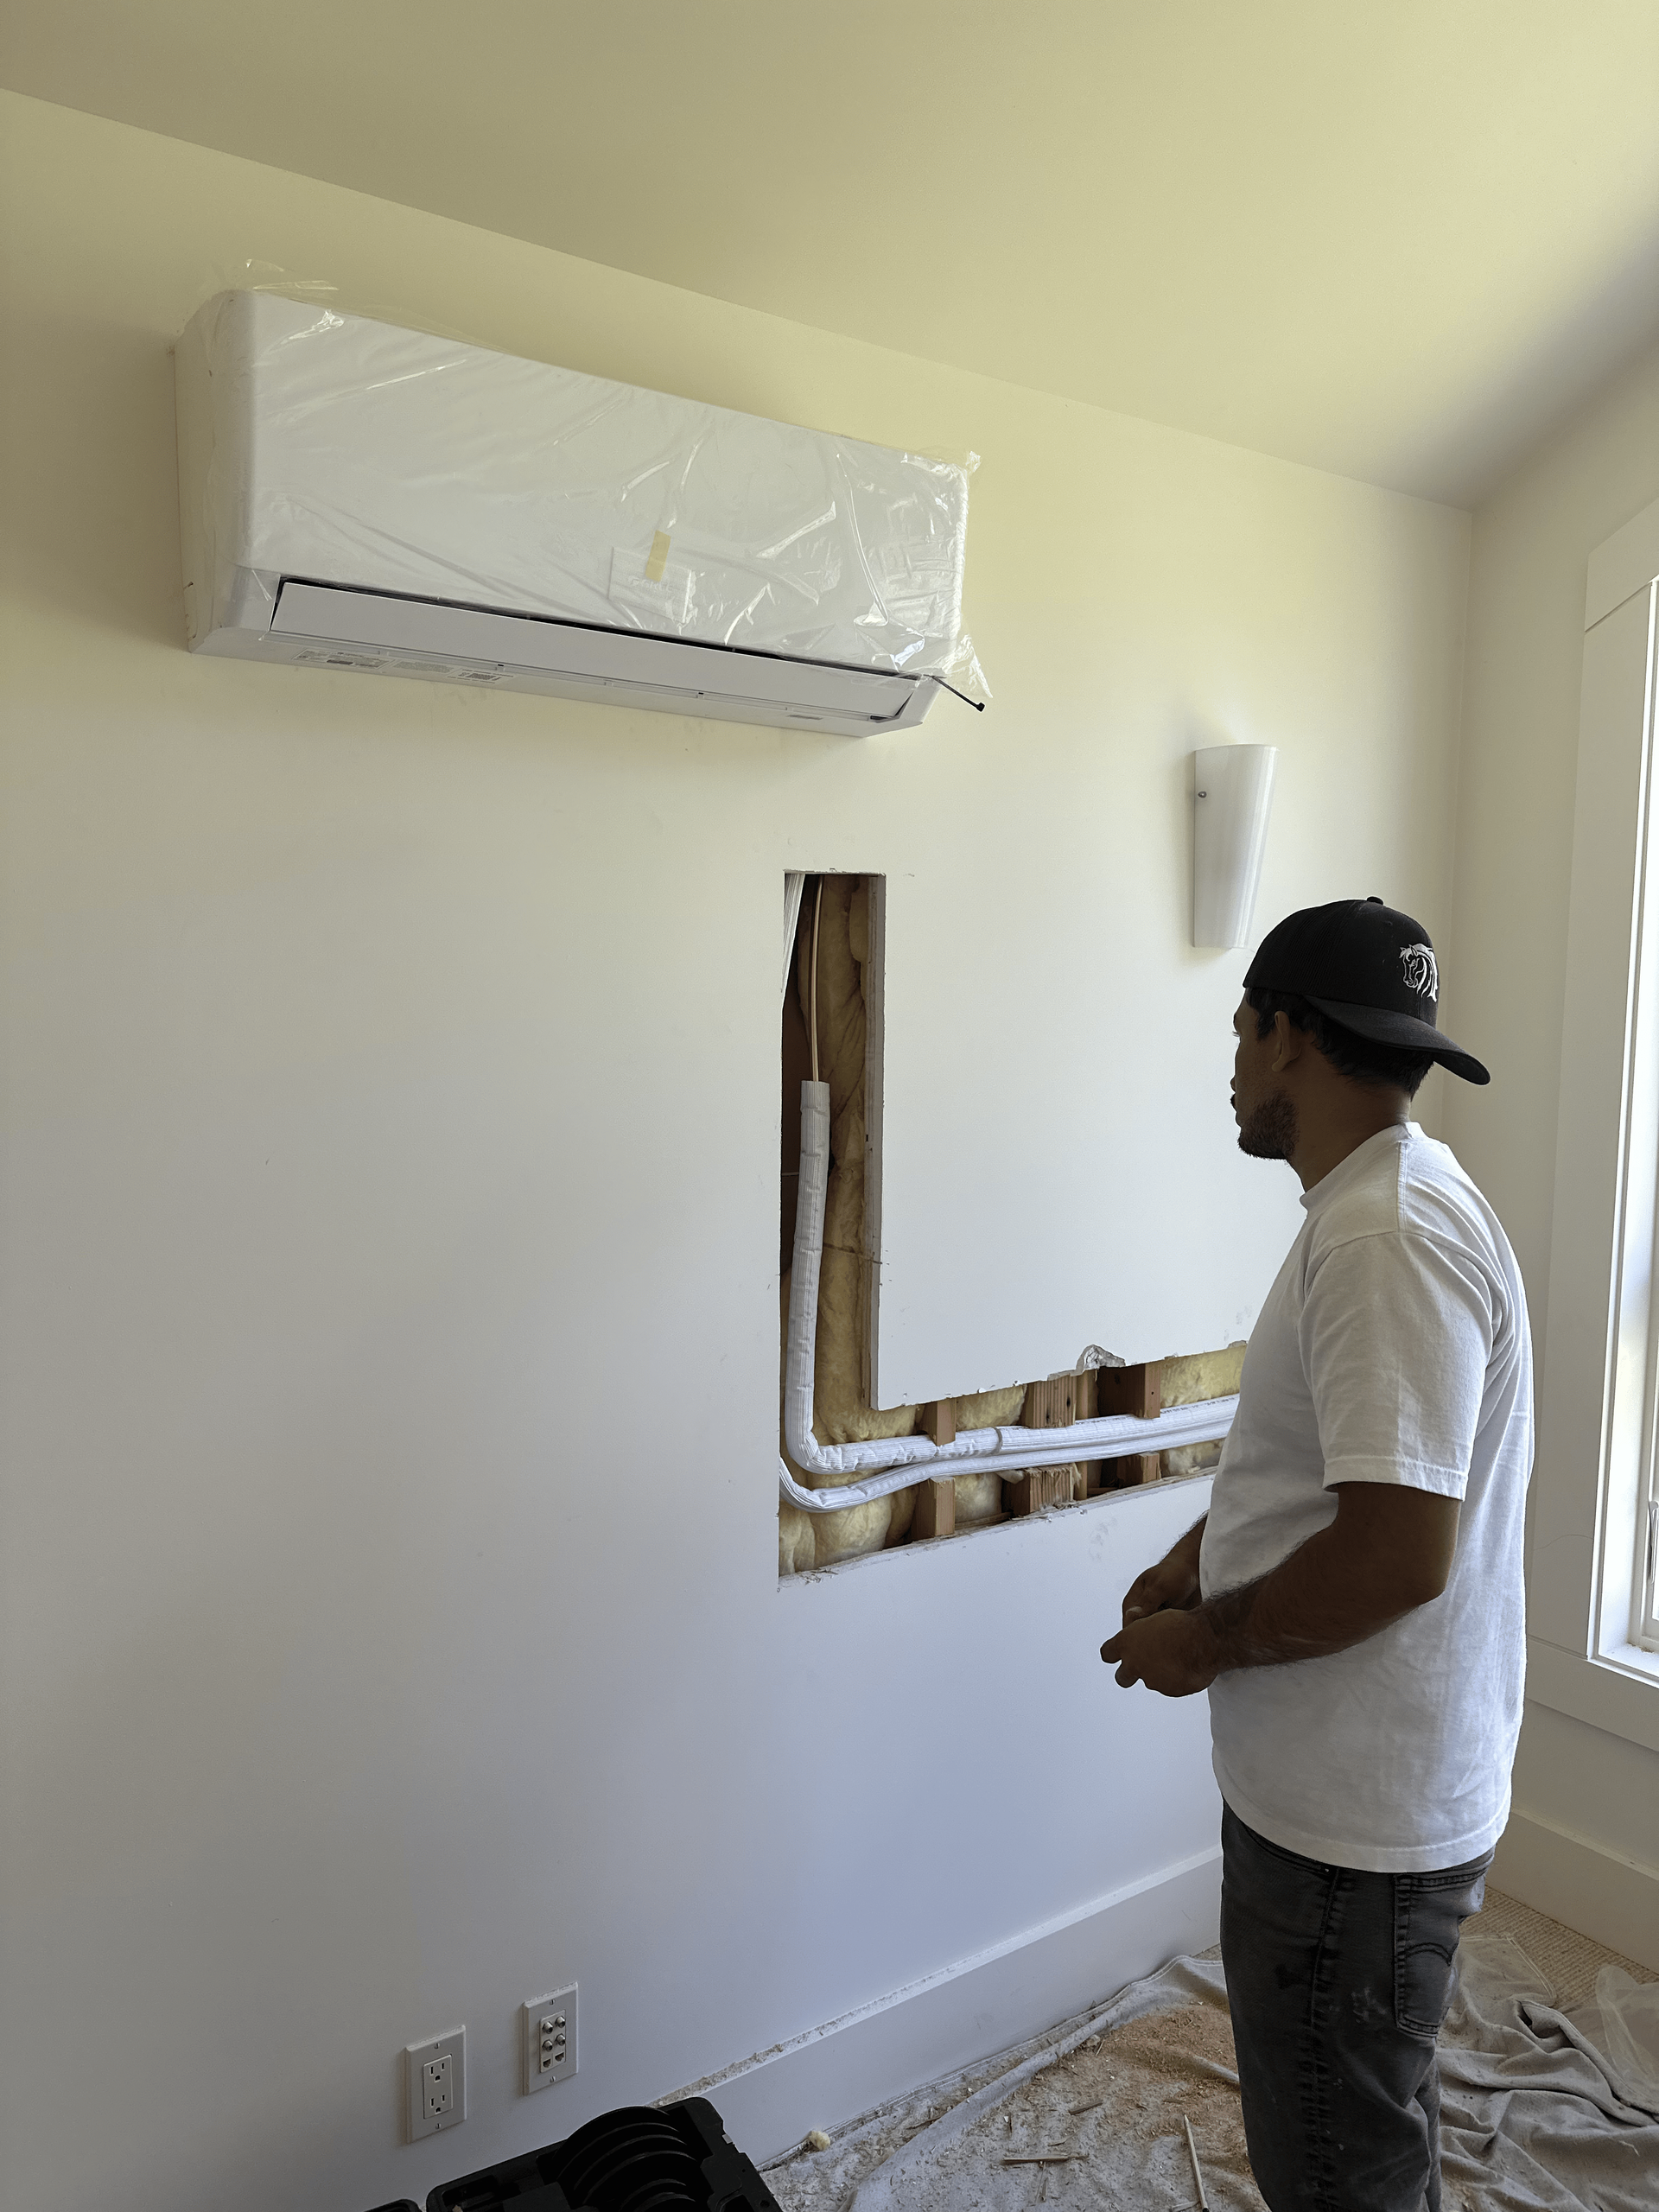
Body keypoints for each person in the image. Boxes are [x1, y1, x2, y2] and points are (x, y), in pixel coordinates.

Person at [1100, 897, 1532, 2212]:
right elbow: (1331, 1478)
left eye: (1242, 1027)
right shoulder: (1380, 1205)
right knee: (1354, 2122)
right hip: (1353, 1801)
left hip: (1355, 1832)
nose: (1232, 1062)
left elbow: (1400, 1552)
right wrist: (1199, 1553)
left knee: (1338, 2169)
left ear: (1289, 1035)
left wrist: (1209, 1638)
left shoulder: (1382, 1237)